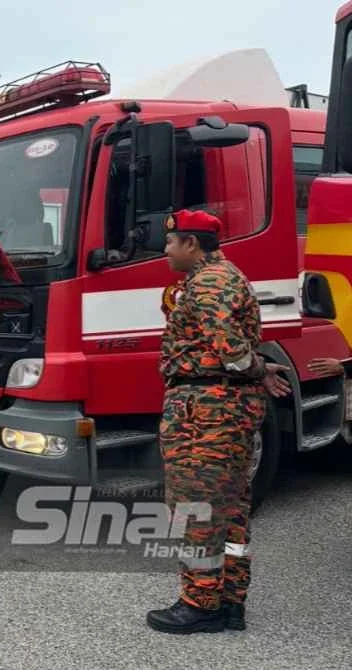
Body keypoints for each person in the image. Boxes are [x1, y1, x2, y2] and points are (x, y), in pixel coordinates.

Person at [146, 210, 290, 634]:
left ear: (191, 244)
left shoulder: (209, 281)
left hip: (205, 407)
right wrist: (254, 370)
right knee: (230, 509)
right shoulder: (223, 277)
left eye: (171, 242)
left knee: (197, 509)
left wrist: (257, 368)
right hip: (222, 405)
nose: (166, 250)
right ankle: (229, 602)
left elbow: (230, 347)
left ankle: (200, 604)